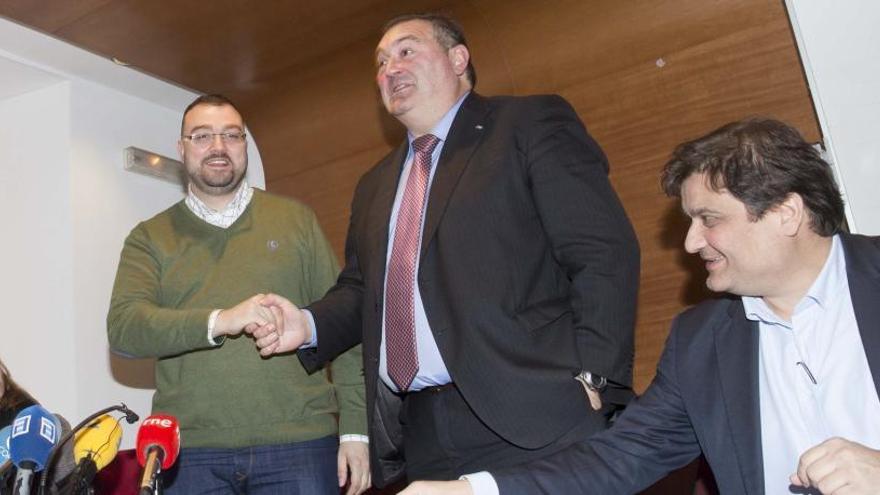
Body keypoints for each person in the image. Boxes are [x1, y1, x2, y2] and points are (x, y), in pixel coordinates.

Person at [250, 12, 640, 488]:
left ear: (459, 58)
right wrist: (307, 324)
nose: (390, 69)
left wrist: (599, 376)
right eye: (380, 62)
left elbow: (602, 251)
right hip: (424, 430)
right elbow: (361, 290)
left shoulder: (528, 124)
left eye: (406, 51)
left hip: (538, 411)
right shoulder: (373, 185)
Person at [400, 117, 880, 495]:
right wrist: (474, 490)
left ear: (785, 214)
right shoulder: (700, 342)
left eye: (709, 219)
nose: (692, 242)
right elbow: (618, 458)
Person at [107, 94, 370, 494]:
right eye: (202, 136)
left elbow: (347, 325)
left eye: (231, 135)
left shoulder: (296, 221)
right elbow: (125, 329)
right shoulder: (149, 238)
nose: (218, 146)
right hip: (189, 452)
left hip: (300, 445)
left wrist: (356, 430)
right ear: (182, 149)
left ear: (245, 145)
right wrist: (222, 320)